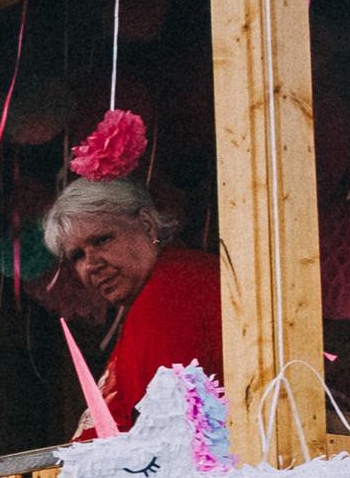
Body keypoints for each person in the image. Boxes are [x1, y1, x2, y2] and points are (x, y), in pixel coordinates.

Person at [43, 177, 223, 437]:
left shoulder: (171, 293)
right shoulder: (175, 278)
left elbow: (165, 438)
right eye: (78, 256)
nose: (91, 264)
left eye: (102, 240)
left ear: (147, 226)